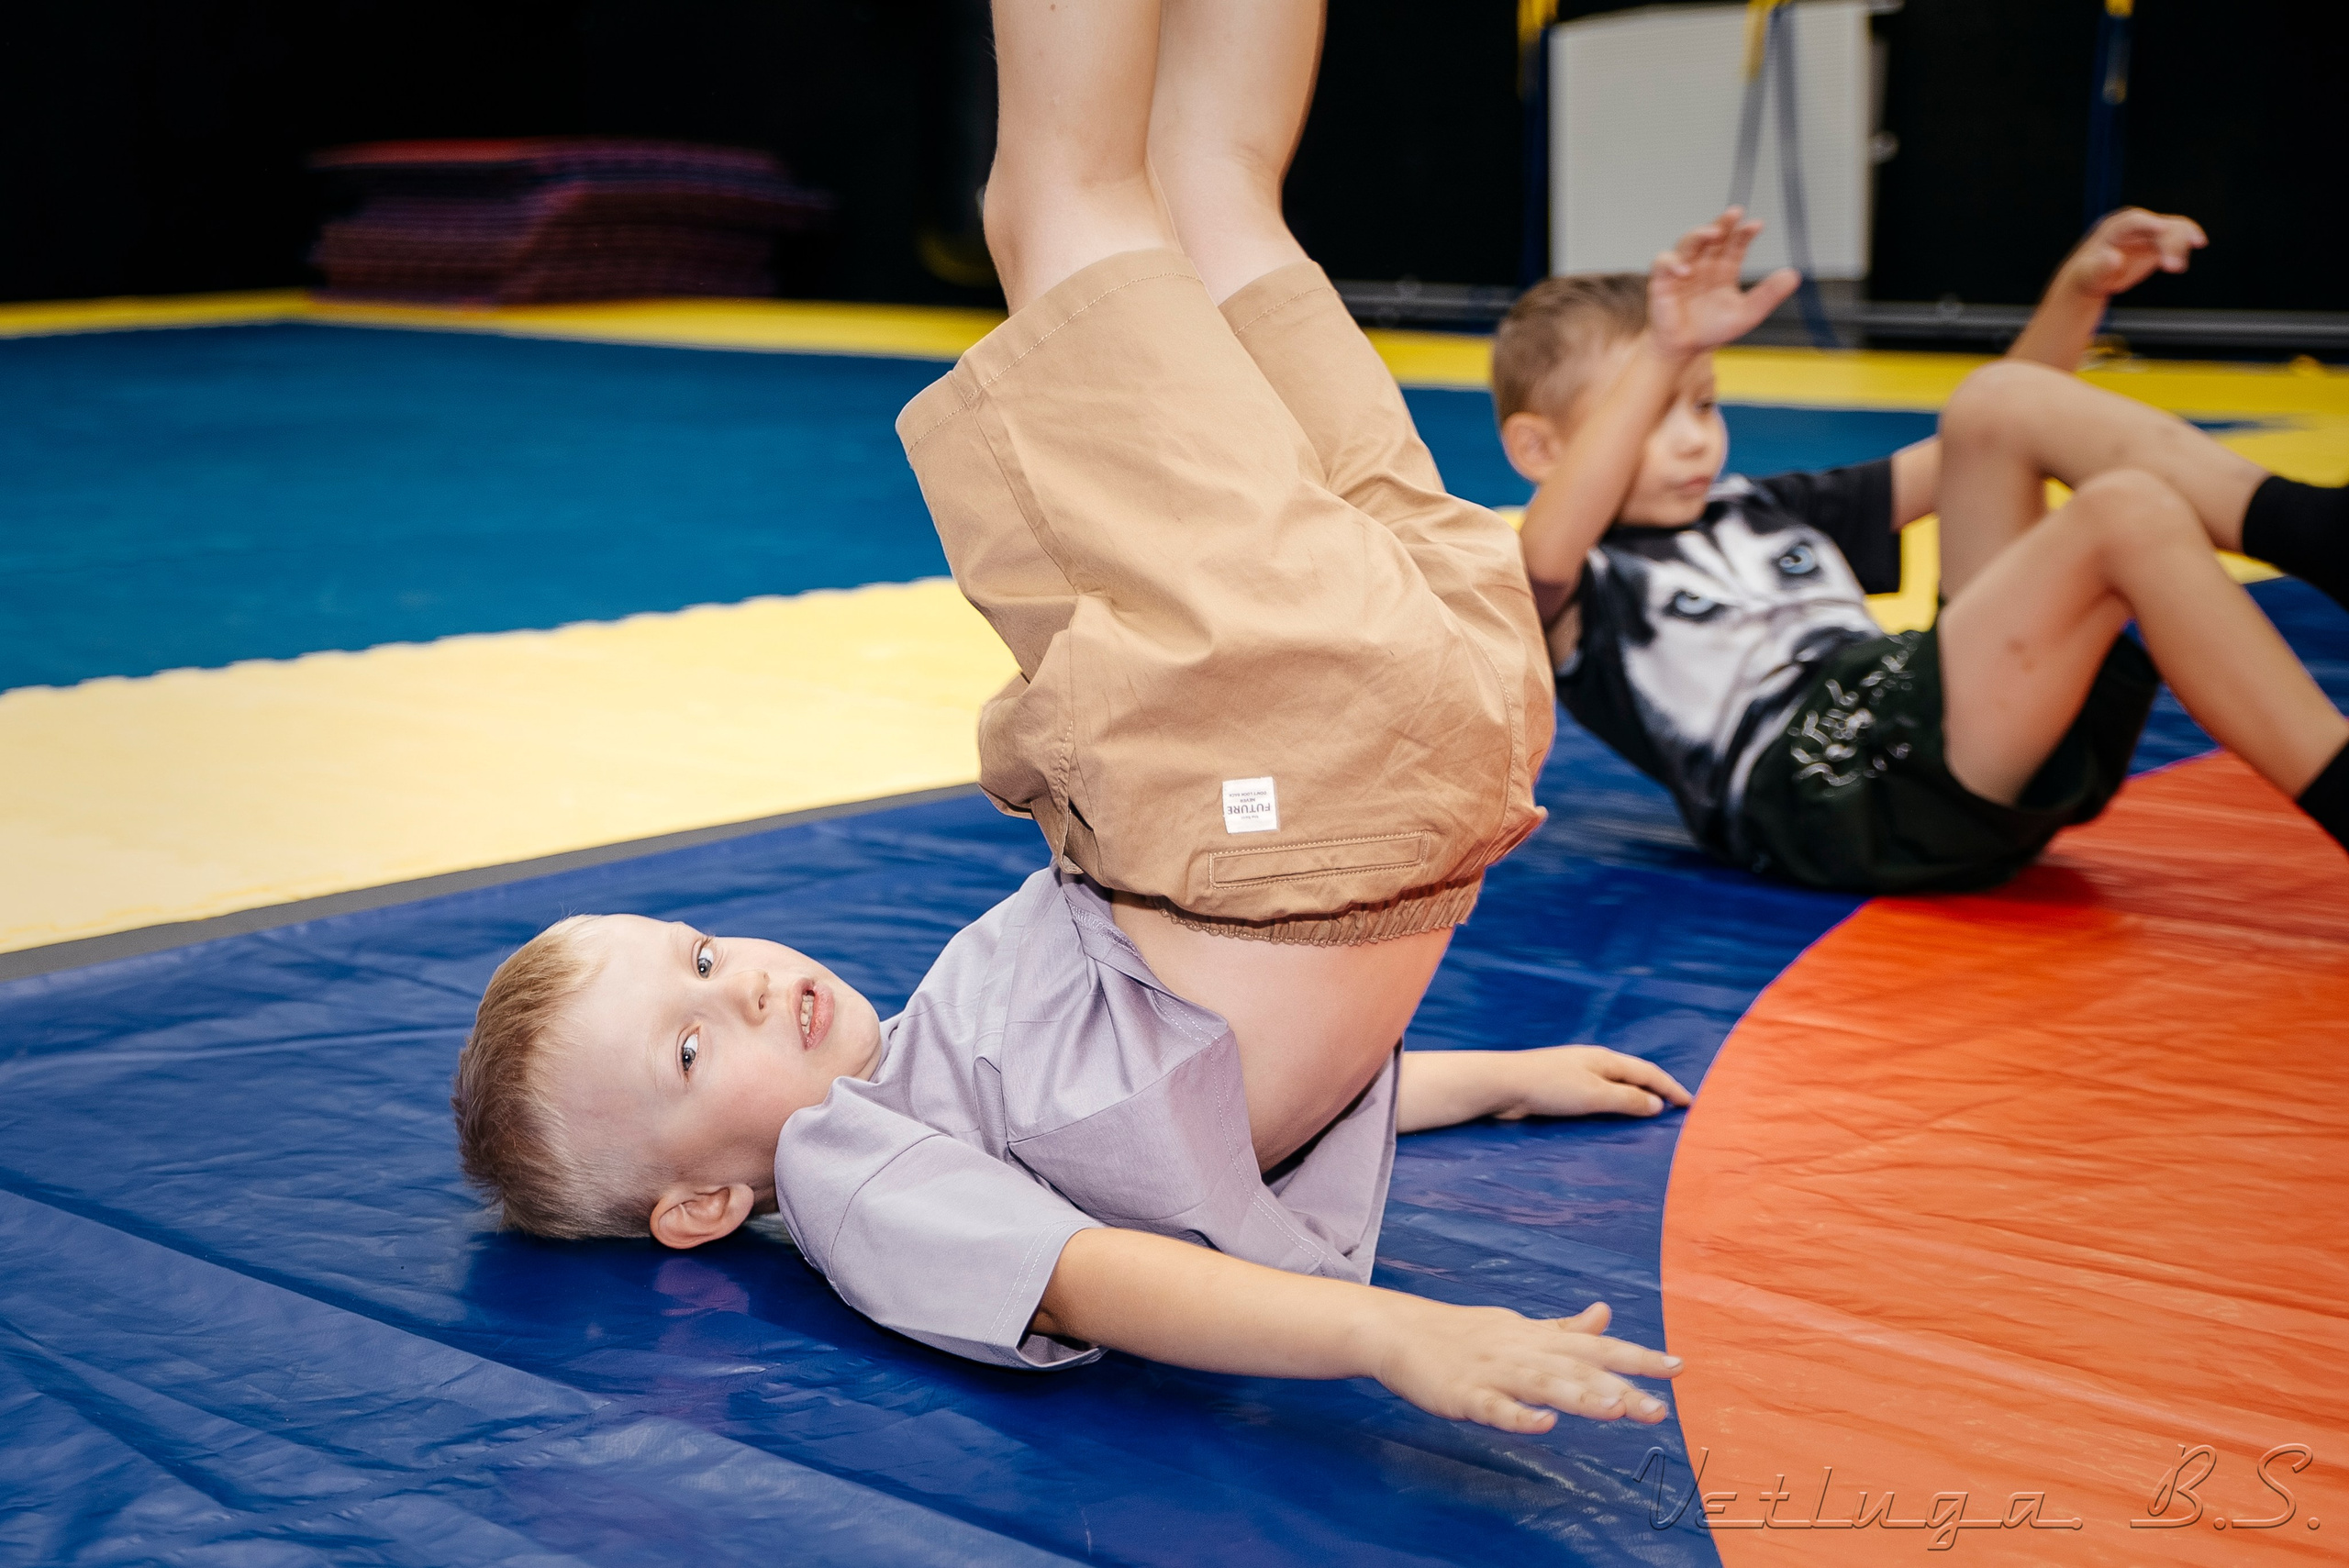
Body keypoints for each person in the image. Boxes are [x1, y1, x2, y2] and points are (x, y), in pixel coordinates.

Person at [450, 0, 1691, 1438]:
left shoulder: (959, 1072)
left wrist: (1493, 1082)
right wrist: (1389, 1336)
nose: (738, 984)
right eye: (688, 1046)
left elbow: (1218, 1110)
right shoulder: (859, 1186)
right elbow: (1097, 1278)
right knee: (1061, 201)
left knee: (1215, 196)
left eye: (703, 951)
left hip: (1439, 747)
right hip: (1303, 779)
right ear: (704, 1206)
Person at [1494, 206, 2349, 892]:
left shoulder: (1768, 509)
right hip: (1838, 792)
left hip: (1934, 718)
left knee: (1997, 402)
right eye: (1650, 416)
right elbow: (1546, 554)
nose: (1692, 442)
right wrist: (1667, 349)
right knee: (2125, 512)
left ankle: (2315, 529)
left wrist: (2078, 294)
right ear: (1541, 451)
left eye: (1705, 404)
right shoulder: (1582, 588)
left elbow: (1984, 451)